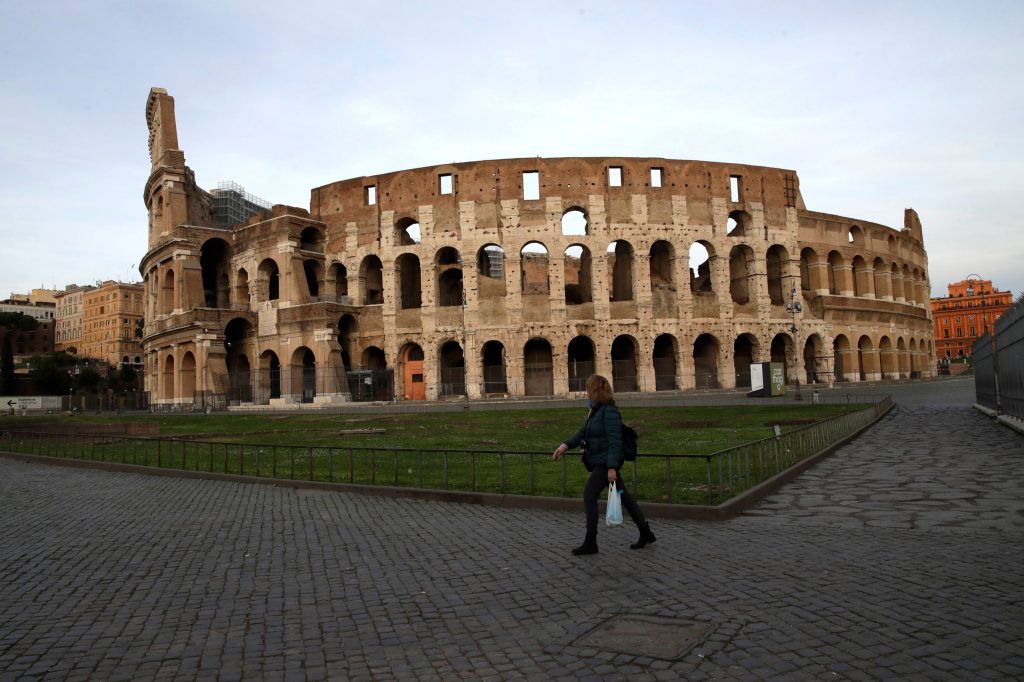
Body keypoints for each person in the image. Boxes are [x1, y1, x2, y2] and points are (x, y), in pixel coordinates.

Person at [552, 374, 656, 555]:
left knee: (589, 495)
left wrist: (612, 468)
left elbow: (615, 442)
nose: (586, 393)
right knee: (625, 497)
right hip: (602, 462)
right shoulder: (596, 411)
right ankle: (646, 532)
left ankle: (591, 541)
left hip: (605, 464)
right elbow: (582, 433)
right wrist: (565, 445)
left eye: (588, 389)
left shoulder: (610, 412)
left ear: (594, 391)